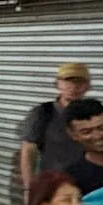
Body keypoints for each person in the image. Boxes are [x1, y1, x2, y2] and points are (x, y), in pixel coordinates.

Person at [17, 61, 92, 192]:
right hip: (53, 187)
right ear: (57, 84)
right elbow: (28, 151)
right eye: (67, 81)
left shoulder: (93, 113)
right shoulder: (43, 113)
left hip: (87, 186)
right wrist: (29, 189)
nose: (73, 87)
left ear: (87, 86)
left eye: (79, 82)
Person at [61, 97, 103, 195]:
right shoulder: (72, 178)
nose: (97, 136)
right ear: (73, 135)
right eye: (86, 132)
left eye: (102, 128)